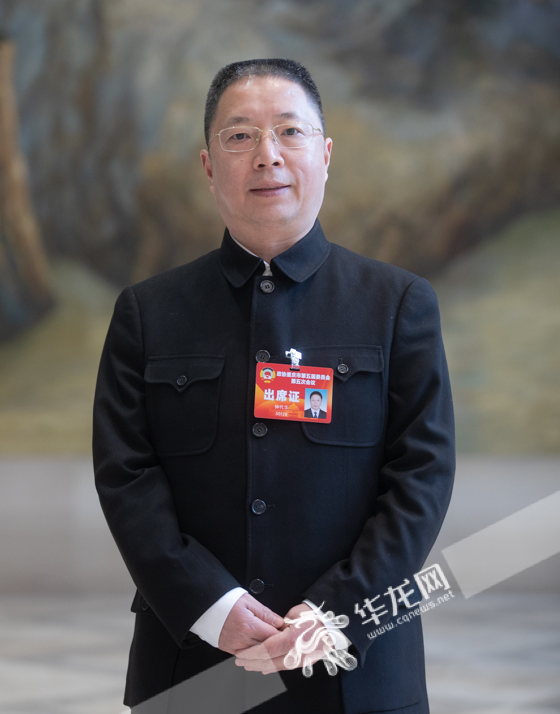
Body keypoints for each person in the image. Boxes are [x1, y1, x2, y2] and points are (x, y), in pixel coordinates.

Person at [93, 58, 455, 714]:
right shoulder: (148, 313)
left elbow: (421, 478)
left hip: (358, 673)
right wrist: (211, 605)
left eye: (290, 131)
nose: (268, 155)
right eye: (241, 136)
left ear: (325, 154)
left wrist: (339, 611)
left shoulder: (398, 303)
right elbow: (126, 477)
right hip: (191, 669)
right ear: (209, 166)